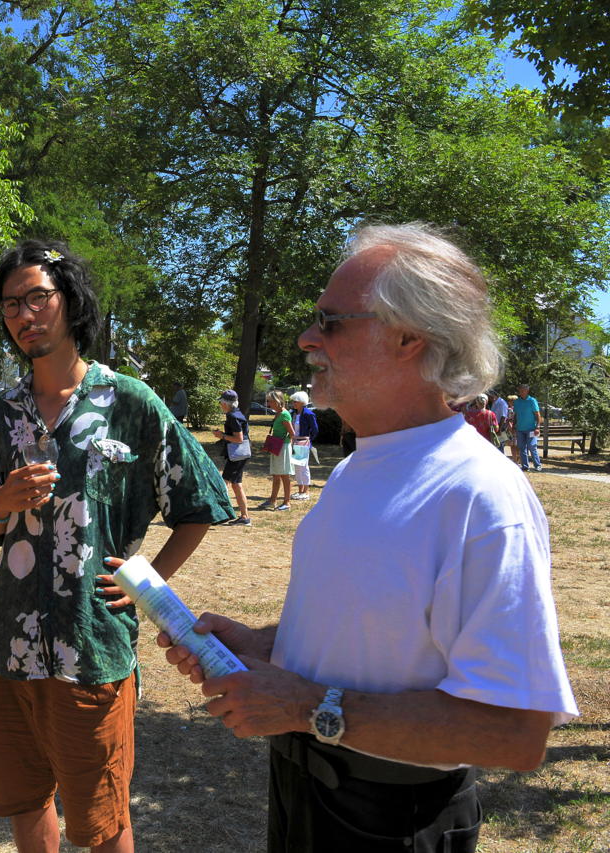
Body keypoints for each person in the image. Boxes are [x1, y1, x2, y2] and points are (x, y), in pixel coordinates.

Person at [157, 223, 577, 852]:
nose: (306, 337)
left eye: (331, 322)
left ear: (410, 337)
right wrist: (264, 647)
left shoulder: (482, 494)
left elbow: (513, 733)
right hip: (304, 793)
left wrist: (305, 708)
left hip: (391, 820)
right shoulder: (358, 467)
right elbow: (380, 633)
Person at [0, 240, 232, 853]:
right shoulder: (4, 414)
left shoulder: (129, 401)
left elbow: (198, 505)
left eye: (37, 297)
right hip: (6, 642)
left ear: (70, 302)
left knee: (104, 818)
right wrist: (0, 504)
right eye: (11, 304)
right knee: (26, 798)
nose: (23, 315)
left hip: (92, 644)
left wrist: (142, 582)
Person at [212, 390, 252, 525]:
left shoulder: (233, 416)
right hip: (239, 455)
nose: (220, 405)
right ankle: (245, 517)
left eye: (221, 402)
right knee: (236, 485)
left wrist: (221, 436)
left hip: (237, 455)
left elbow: (239, 438)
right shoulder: (236, 414)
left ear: (226, 404)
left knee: (224, 484)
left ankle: (219, 514)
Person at [259, 390, 295, 511]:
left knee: (285, 475)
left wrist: (282, 444)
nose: (268, 404)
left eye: (270, 401)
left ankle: (287, 502)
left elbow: (292, 433)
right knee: (276, 475)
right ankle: (272, 500)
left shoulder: (284, 414)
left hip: (282, 447)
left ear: (277, 401)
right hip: (277, 447)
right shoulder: (278, 413)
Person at [288, 391, 317, 499]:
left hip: (304, 442)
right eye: (293, 401)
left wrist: (309, 440)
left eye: (296, 401)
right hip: (295, 442)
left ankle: (306, 492)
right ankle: (300, 491)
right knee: (297, 466)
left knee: (304, 466)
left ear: (302, 402)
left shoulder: (309, 414)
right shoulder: (294, 413)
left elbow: (315, 430)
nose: (293, 403)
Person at [513, 383, 543, 471]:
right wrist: (514, 425)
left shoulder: (532, 401)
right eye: (520, 390)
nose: (521, 392)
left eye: (523, 390)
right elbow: (516, 415)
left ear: (527, 391)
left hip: (531, 429)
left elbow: (538, 415)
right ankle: (525, 466)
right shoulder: (517, 402)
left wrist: (537, 427)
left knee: (532, 446)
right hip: (520, 429)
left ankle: (537, 465)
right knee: (522, 448)